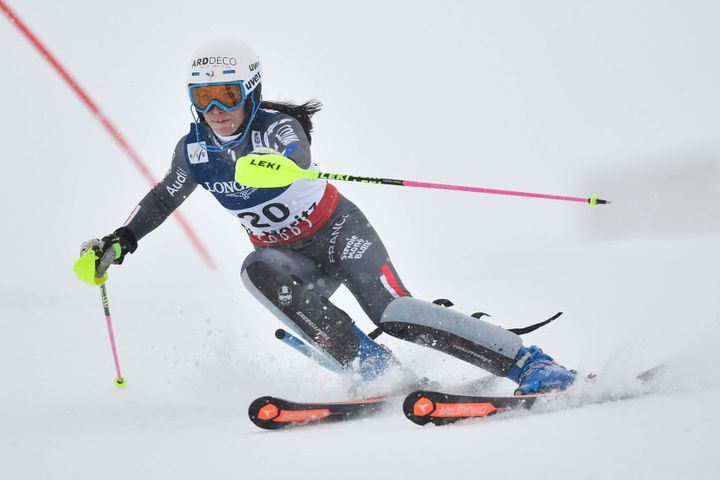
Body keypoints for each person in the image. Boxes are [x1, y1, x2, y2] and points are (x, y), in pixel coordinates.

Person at [78, 39, 576, 396]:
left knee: (393, 313)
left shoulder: (275, 127)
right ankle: (375, 370)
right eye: (203, 99)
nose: (216, 109)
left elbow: (296, 152)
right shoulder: (195, 152)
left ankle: (531, 362)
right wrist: (119, 241)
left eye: (227, 95)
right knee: (256, 271)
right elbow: (164, 198)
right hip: (292, 260)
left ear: (249, 92)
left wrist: (278, 166)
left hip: (339, 234)